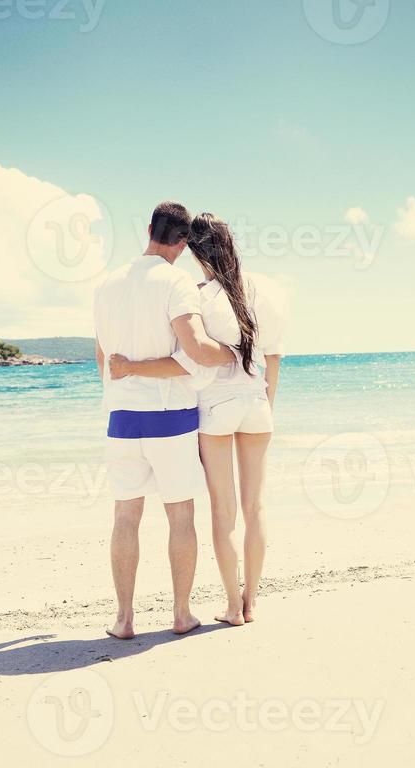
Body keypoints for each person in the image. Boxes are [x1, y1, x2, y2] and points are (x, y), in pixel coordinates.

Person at [110, 212, 285, 627]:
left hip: (215, 412)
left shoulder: (197, 294)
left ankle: (231, 607)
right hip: (257, 406)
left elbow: (192, 356)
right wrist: (266, 405)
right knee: (256, 506)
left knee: (224, 512)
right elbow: (273, 358)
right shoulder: (265, 290)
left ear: (194, 249)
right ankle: (252, 601)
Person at [94, 201, 235, 640]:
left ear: (149, 228)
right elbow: (193, 347)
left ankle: (124, 618)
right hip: (169, 417)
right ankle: (181, 613)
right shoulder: (176, 282)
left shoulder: (107, 283)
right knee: (180, 518)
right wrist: (231, 356)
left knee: (124, 517)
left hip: (121, 417)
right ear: (183, 242)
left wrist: (124, 378)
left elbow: (103, 356)